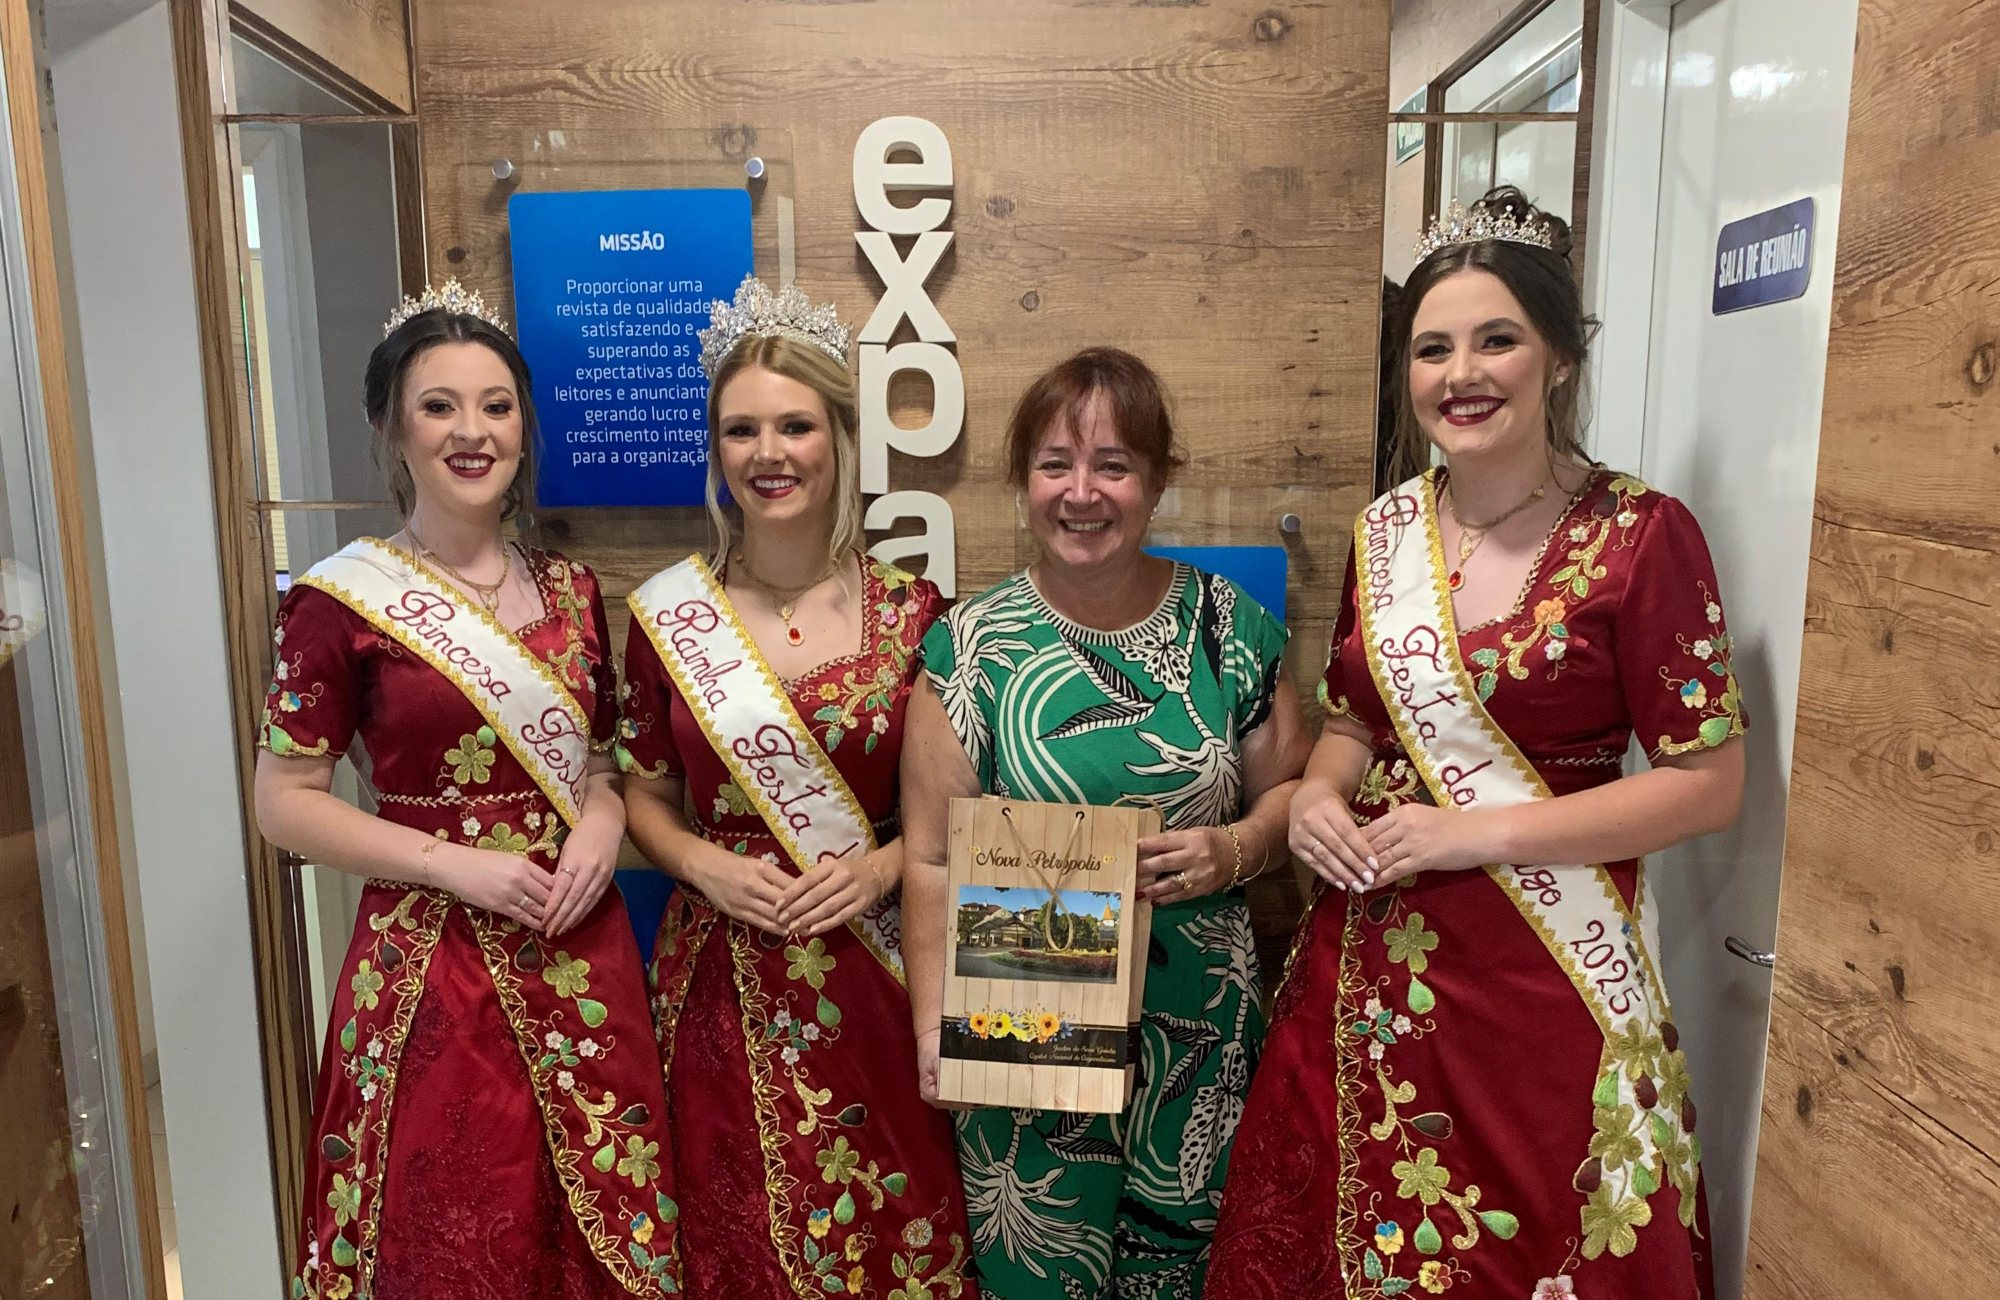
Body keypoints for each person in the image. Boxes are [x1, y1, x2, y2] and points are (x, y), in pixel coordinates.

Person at [1209, 188, 1745, 1299]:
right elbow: (1354, 720)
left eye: (1496, 339)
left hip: (1544, 983)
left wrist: (1470, 833)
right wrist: (1318, 796)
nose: (1461, 374)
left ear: (1559, 357)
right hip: (1369, 966)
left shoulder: (1641, 536)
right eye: (1432, 348)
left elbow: (1706, 786)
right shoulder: (1385, 531)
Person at [254, 281, 683, 1299]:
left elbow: (597, 764)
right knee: (453, 1226)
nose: (471, 431)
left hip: (575, 938)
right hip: (427, 956)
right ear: (390, 428)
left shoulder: (572, 589)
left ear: (523, 427)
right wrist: (456, 866)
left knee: (601, 1218)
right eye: (438, 406)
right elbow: (283, 801)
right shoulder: (336, 601)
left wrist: (601, 829)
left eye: (496, 405)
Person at [900, 347, 1311, 1299]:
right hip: (1023, 1028)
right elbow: (928, 859)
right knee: (1042, 1274)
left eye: (1113, 465)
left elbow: (1299, 795)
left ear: (1157, 483)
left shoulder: (1228, 628)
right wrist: (932, 1029)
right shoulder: (970, 648)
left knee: (1191, 1272)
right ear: (1024, 482)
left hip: (1200, 1036)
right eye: (1056, 464)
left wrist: (1233, 849)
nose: (1082, 492)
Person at [618, 277, 978, 1299]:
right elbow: (643, 793)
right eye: (741, 430)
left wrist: (877, 869)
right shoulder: (664, 618)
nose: (767, 453)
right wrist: (703, 866)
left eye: (794, 425)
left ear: (840, 440)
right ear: (715, 450)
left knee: (890, 1233)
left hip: (878, 974)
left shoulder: (917, 614)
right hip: (718, 977)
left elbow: (963, 816)